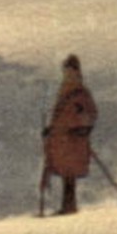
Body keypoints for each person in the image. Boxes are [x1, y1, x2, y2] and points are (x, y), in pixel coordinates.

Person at [40, 54, 99, 216]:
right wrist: (51, 129)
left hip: (72, 140)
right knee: (66, 172)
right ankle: (67, 205)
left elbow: (89, 114)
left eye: (70, 70)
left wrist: (82, 127)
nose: (67, 73)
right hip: (62, 140)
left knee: (70, 173)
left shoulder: (79, 92)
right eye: (66, 70)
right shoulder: (66, 90)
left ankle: (69, 206)